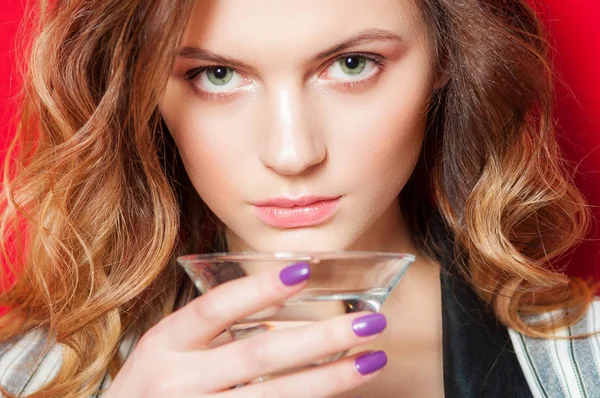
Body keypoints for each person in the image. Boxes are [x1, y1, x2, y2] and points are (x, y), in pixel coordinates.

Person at [1, 0, 599, 397]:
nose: (291, 153)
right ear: (143, 87)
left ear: (446, 59)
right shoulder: (21, 374)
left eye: (352, 63)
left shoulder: (588, 362)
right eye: (217, 76)